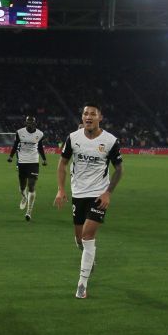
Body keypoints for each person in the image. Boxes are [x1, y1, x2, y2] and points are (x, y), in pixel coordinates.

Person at [54, 104, 123, 299]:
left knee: (87, 235)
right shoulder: (73, 138)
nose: (88, 116)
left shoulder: (110, 141)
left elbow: (119, 169)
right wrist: (61, 189)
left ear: (100, 117)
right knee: (79, 240)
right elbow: (62, 164)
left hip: (98, 194)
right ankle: (89, 257)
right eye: (85, 113)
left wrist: (108, 193)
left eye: (93, 113)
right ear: (82, 117)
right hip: (78, 193)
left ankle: (82, 284)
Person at [8, 116, 46, 221]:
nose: (29, 124)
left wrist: (44, 159)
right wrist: (11, 156)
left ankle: (29, 211)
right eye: (28, 122)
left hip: (33, 162)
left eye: (31, 122)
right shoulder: (19, 132)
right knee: (22, 187)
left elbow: (40, 147)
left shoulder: (40, 134)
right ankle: (24, 197)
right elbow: (15, 145)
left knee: (31, 186)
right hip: (22, 162)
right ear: (25, 123)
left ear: (35, 123)